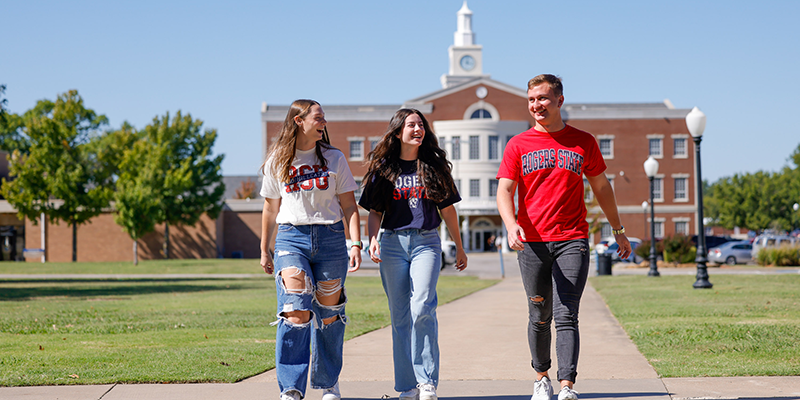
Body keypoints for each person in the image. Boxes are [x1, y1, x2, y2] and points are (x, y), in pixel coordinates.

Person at [496, 75, 631, 400]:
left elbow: (601, 187)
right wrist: (511, 224)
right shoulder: (518, 144)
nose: (536, 105)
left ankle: (567, 385)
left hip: (572, 239)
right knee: (540, 314)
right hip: (532, 243)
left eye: (542, 98)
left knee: (567, 312)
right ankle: (541, 377)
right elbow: (504, 189)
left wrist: (618, 229)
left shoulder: (582, 141)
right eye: (531, 100)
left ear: (559, 100)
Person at [358, 108, 467, 400]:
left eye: (421, 124)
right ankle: (407, 386)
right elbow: (374, 211)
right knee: (400, 317)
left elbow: (448, 210)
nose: (418, 129)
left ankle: (427, 382)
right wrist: (373, 240)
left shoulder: (433, 165)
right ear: (397, 132)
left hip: (426, 243)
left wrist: (458, 244)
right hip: (392, 244)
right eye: (411, 125)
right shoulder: (383, 168)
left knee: (422, 306)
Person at [260, 99, 362, 400]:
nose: (324, 122)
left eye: (324, 117)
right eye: (318, 118)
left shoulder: (334, 158)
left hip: (330, 239)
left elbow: (349, 205)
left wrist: (355, 242)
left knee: (329, 315)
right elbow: (269, 208)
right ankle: (291, 388)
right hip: (291, 238)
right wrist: (264, 249)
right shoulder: (278, 159)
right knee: (295, 311)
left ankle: (328, 383)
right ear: (298, 121)